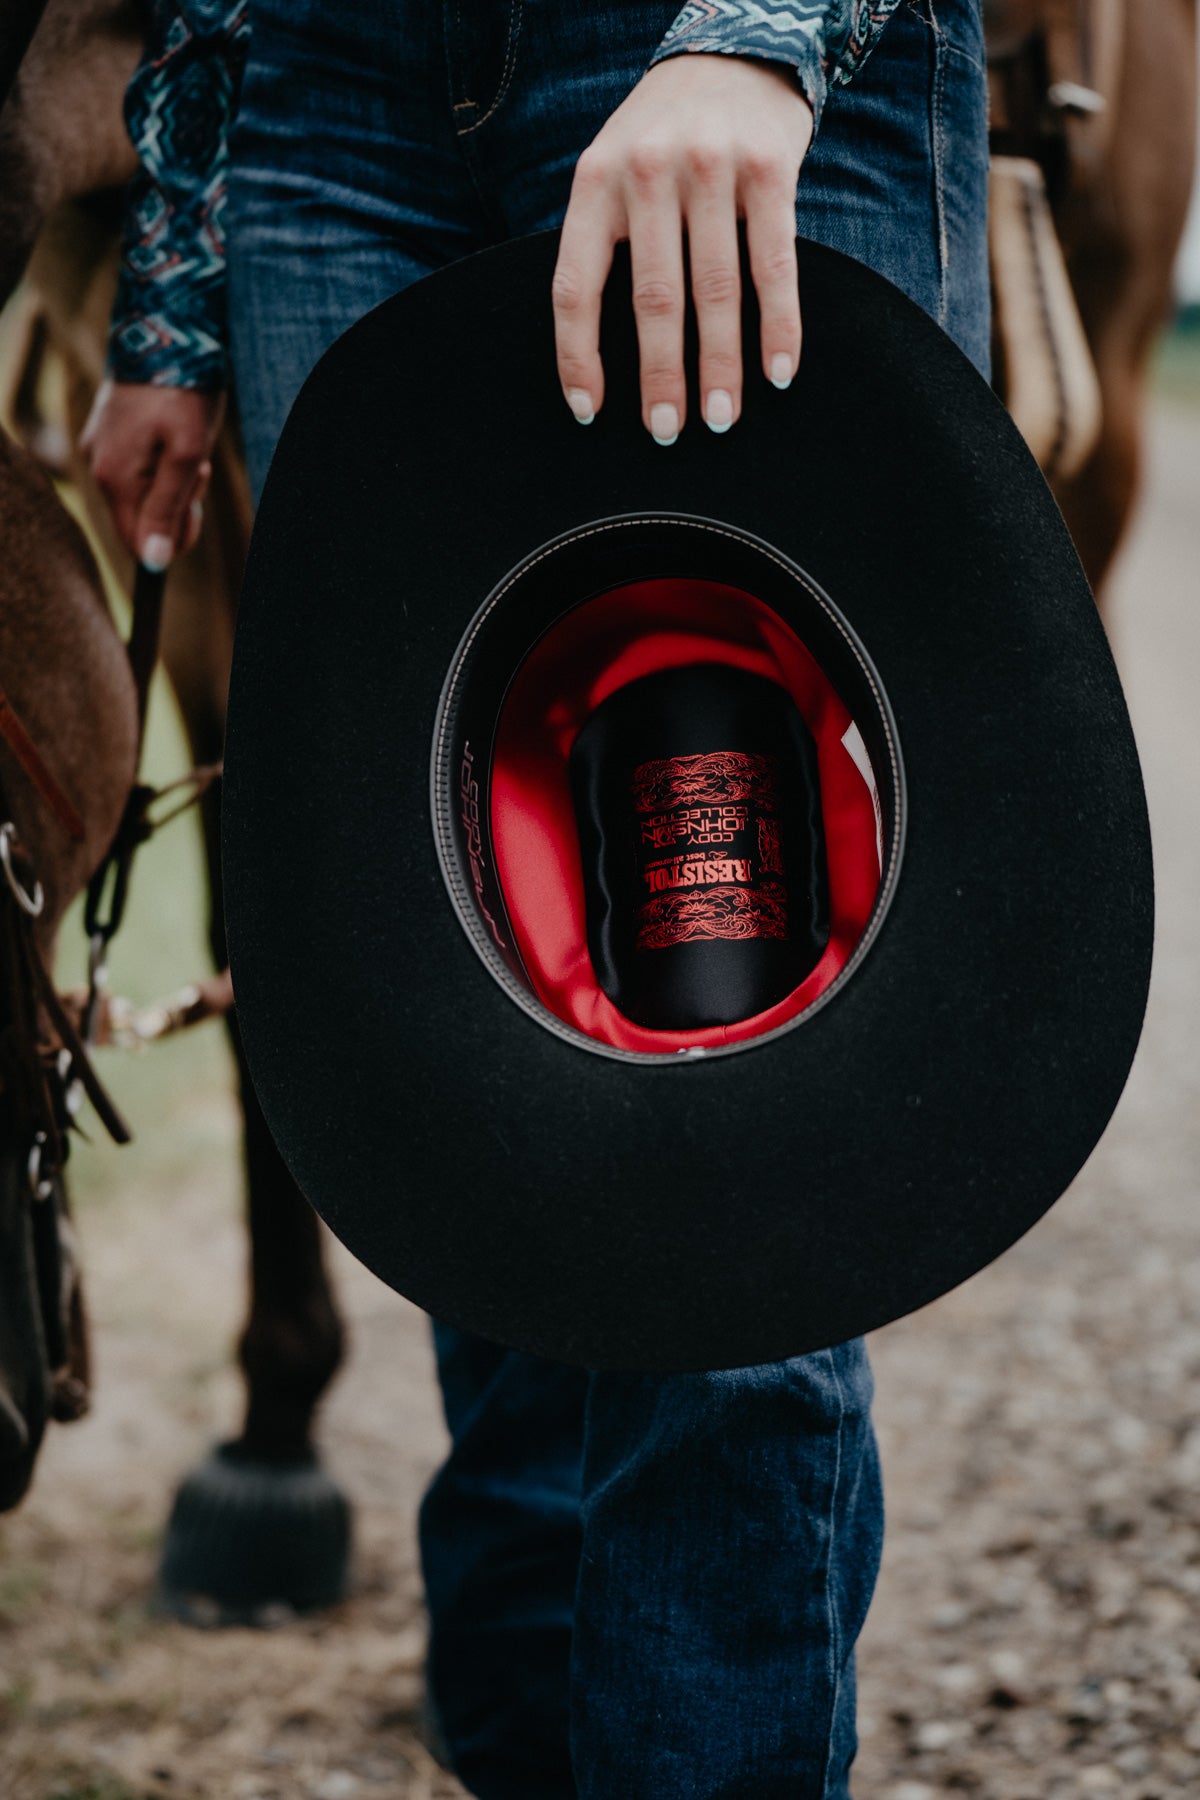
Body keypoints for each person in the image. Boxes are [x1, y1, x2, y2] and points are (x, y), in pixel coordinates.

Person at [83, 3, 990, 1794]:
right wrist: (175, 269)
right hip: (325, 102)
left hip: (701, 46)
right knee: (470, 1041)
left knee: (729, 1054)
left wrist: (760, 33)